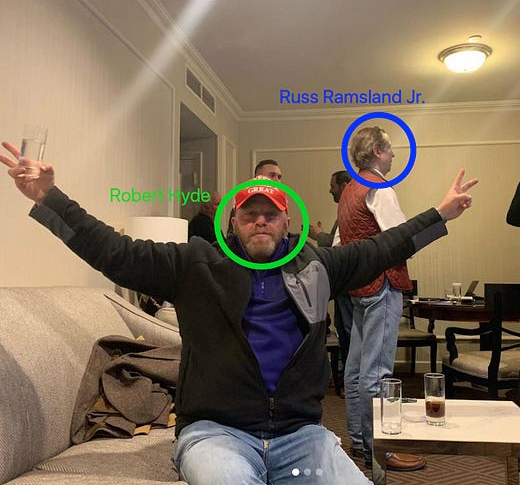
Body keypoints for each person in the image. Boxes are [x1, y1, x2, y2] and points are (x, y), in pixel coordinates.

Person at [1, 140, 477, 485]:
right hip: (216, 434)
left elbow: (383, 247)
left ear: (287, 219)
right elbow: (115, 252)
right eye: (250, 214)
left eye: (270, 213)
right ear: (234, 220)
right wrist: (50, 198)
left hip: (300, 435)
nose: (260, 221)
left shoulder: (318, 265)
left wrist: (441, 214)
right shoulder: (195, 264)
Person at [338, 126, 430, 471]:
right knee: (376, 374)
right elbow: (399, 239)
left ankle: (359, 443)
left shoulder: (349, 190)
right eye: (389, 149)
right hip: (383, 285)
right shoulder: (380, 187)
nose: (393, 155)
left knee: (355, 371)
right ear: (377, 150)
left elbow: (340, 245)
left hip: (359, 288)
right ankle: (380, 452)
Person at [309, 170, 354, 374]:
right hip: (343, 284)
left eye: (332, 186)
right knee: (344, 329)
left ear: (344, 186)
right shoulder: (345, 209)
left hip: (349, 284)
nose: (330, 190)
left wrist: (319, 236)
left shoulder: (351, 210)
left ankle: (351, 377)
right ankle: (348, 377)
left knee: (349, 331)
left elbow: (341, 246)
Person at [226, 159, 282, 237]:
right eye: (272, 175)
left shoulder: (281, 205)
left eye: (279, 177)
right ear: (257, 177)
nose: (277, 181)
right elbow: (233, 237)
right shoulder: (241, 205)